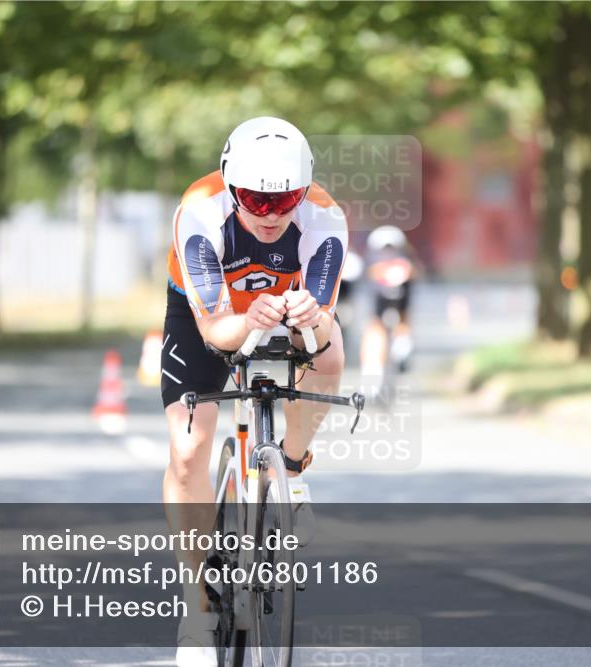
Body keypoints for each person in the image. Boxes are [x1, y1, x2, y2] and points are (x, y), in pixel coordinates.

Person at [161, 117, 347, 666]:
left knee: (332, 351)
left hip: (288, 306)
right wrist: (247, 322)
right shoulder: (199, 210)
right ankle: (195, 611)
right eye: (253, 201)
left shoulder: (325, 217)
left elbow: (319, 333)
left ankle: (288, 470)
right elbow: (218, 331)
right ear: (229, 184)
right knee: (190, 446)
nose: (269, 216)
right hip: (210, 312)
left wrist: (310, 321)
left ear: (304, 189)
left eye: (283, 200)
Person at [360, 225, 417, 390]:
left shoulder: (405, 265)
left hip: (400, 302)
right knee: (375, 327)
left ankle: (402, 343)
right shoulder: (372, 265)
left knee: (402, 317)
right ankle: (373, 369)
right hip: (378, 302)